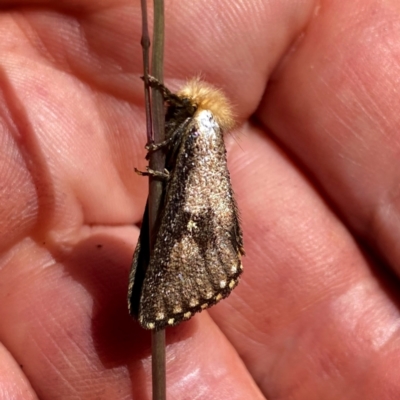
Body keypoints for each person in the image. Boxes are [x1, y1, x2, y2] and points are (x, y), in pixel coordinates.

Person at [0, 1, 398, 398]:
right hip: (180, 206)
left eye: (176, 108)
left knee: (180, 216)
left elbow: (182, 169)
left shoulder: (202, 126)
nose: (169, 110)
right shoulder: (198, 122)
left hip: (192, 216)